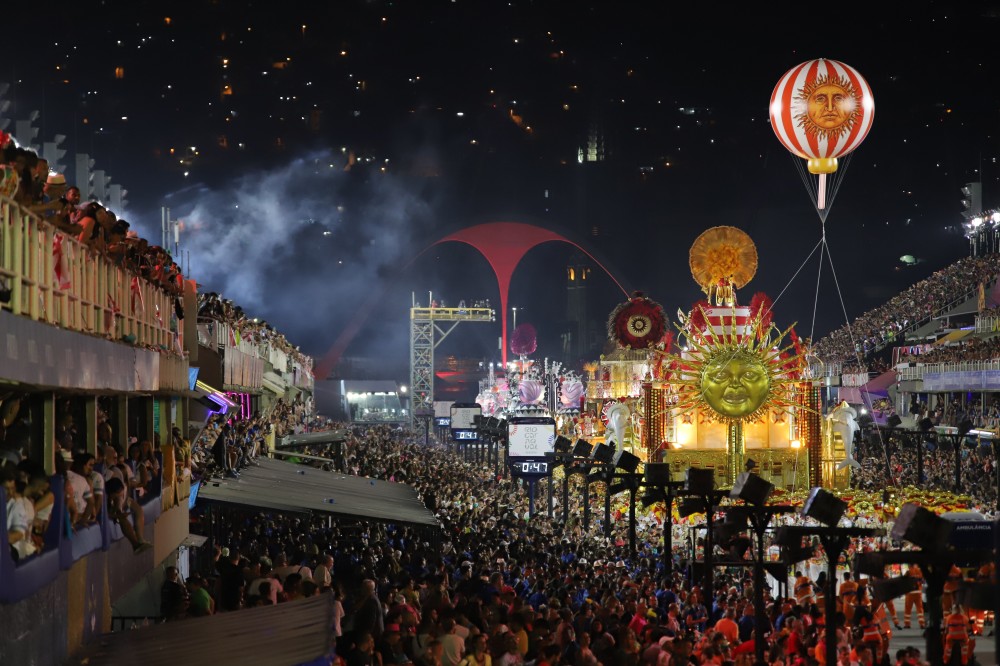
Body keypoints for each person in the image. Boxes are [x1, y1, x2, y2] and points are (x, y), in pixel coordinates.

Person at [104, 477, 152, 554]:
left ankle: (140, 540)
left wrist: (120, 509)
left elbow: (124, 497)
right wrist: (117, 515)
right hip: (109, 511)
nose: (118, 497)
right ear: (111, 493)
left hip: (120, 506)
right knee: (122, 519)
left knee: (138, 510)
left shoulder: (120, 493)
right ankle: (135, 544)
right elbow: (103, 515)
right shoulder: (104, 497)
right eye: (116, 496)